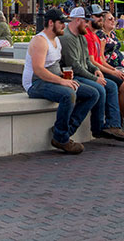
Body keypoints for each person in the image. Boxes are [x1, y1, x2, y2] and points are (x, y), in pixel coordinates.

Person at [22, 8, 98, 154]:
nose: (64, 25)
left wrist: (65, 78)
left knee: (92, 93)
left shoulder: (56, 39)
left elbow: (56, 66)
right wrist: (62, 81)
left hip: (53, 80)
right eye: (61, 22)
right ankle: (62, 139)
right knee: (68, 95)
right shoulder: (40, 41)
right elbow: (38, 70)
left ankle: (64, 131)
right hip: (35, 83)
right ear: (51, 23)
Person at [61, 6, 124, 142]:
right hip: (72, 75)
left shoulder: (80, 36)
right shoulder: (68, 38)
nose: (87, 24)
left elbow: (87, 60)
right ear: (77, 20)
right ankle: (94, 128)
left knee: (110, 86)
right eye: (85, 21)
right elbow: (75, 66)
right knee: (98, 89)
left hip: (83, 72)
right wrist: (95, 77)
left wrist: (96, 70)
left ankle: (112, 125)